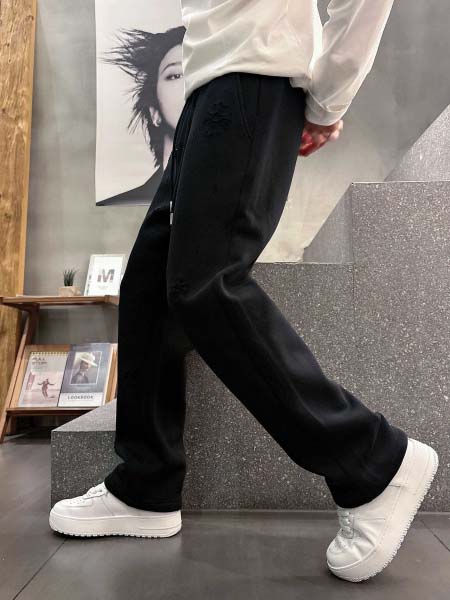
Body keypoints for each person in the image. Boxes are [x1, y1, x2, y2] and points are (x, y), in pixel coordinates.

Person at [49, 0, 439, 583]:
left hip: (253, 78)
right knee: (150, 288)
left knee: (207, 285)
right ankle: (146, 486)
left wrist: (326, 99)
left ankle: (373, 460)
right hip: (211, 89)